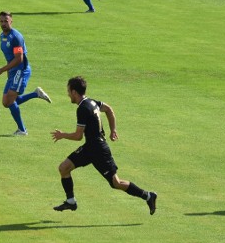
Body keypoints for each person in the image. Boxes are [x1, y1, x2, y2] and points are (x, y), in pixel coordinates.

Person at [51, 76, 158, 215]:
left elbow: (78, 136)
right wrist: (113, 129)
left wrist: (62, 135)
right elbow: (109, 109)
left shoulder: (83, 108)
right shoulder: (92, 102)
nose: (68, 94)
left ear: (74, 92)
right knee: (64, 168)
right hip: (90, 147)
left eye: (69, 91)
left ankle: (148, 196)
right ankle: (71, 201)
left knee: (116, 183)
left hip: (99, 150)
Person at [0, 11, 51, 136]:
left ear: (11, 21)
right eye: (1, 21)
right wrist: (8, 73)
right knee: (6, 102)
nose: (3, 24)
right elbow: (9, 57)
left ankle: (22, 130)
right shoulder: (2, 36)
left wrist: (2, 70)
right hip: (12, 72)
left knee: (10, 101)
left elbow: (19, 58)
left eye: (6, 21)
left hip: (21, 70)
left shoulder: (16, 37)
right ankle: (35, 94)